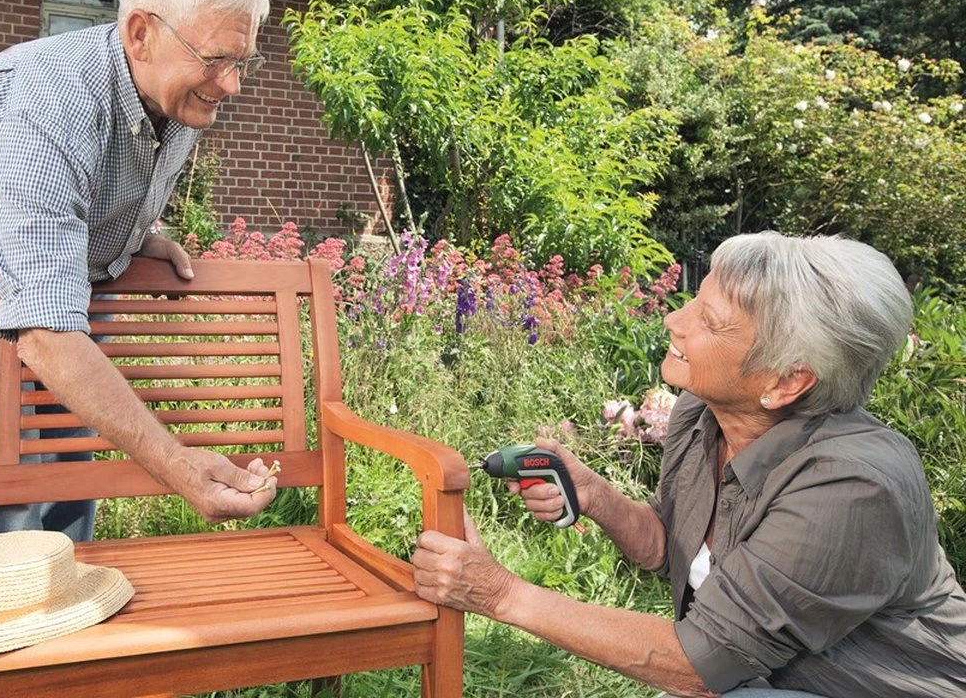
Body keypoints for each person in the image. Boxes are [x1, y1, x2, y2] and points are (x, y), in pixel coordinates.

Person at [413, 232, 966, 698]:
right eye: (692, 302)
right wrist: (596, 495)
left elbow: (703, 664)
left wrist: (500, 594)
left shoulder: (852, 486)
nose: (674, 320)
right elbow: (671, 546)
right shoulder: (703, 415)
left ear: (786, 381)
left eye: (710, 320)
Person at [0, 0, 278, 541]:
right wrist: (177, 465)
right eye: (216, 59)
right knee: (8, 474)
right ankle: (13, 598)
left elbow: (93, 184)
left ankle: (76, 585)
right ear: (141, 34)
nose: (232, 84)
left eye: (243, 62)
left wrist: (135, 233)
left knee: (71, 456)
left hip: (73, 266)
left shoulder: (175, 93)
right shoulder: (43, 101)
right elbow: (47, 333)